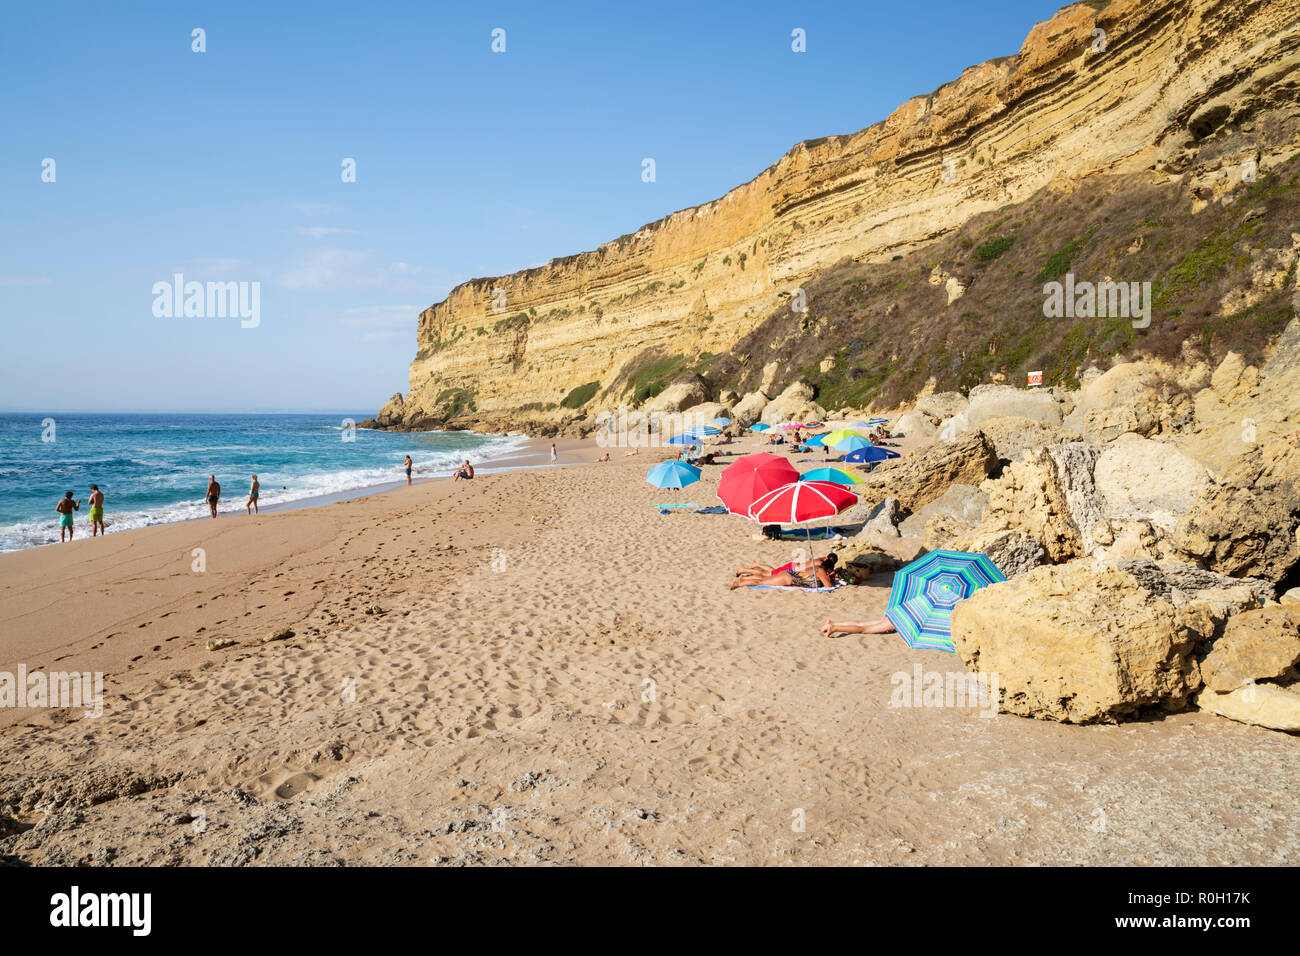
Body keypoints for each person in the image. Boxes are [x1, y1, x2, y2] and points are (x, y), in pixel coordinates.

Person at [731, 554, 838, 590]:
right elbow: (828, 586)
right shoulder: (821, 570)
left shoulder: (819, 567)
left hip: (790, 573)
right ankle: (740, 583)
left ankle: (745, 579)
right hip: (788, 577)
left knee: (765, 578)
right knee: (763, 580)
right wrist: (832, 576)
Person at [820, 617, 897, 637]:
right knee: (865, 629)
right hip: (898, 620)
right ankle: (834, 628)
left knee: (861, 624)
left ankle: (834, 623)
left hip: (897, 611)